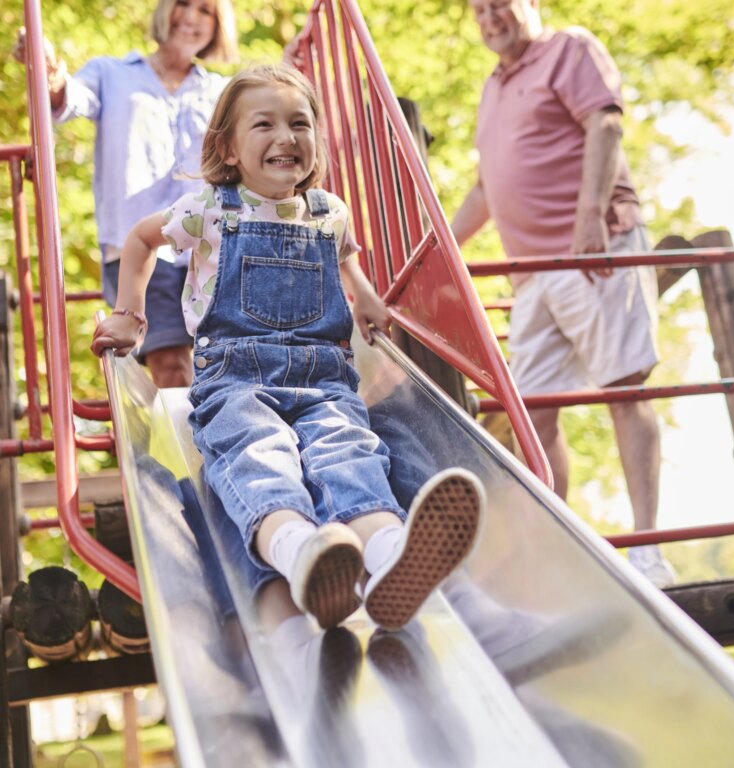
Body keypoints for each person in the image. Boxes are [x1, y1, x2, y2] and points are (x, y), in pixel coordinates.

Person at [91, 63, 485, 630]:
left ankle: (390, 554)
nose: (286, 137)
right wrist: (131, 315)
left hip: (324, 377)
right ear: (227, 148)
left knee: (350, 453)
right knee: (259, 454)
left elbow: (345, 252)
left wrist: (367, 298)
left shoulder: (328, 210)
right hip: (236, 380)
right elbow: (140, 239)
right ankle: (303, 554)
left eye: (300, 123)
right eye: (265, 125)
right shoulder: (210, 209)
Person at [451, 0, 674, 587]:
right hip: (533, 273)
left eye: (500, 4)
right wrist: (439, 248)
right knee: (534, 415)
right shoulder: (493, 87)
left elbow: (605, 122)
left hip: (593, 250)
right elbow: (486, 189)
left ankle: (649, 549)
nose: (490, 17)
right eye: (479, 10)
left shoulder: (569, 49)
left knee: (624, 388)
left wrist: (591, 214)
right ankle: (558, 555)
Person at [14, 0, 239, 387]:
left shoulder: (221, 90)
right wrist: (48, 73)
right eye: (183, 3)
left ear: (217, 26)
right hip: (140, 246)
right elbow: (69, 97)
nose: (191, 17)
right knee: (170, 364)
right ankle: (200, 447)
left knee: (225, 364)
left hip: (211, 244)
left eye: (206, 10)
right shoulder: (112, 72)